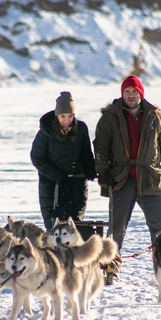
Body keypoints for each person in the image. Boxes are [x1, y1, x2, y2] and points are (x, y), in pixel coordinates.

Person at [93, 75, 161, 250]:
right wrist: (103, 172)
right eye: (127, 91)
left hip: (150, 178)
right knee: (116, 229)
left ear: (141, 93)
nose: (130, 95)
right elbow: (101, 147)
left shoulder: (156, 116)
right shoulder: (110, 117)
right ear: (122, 94)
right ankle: (111, 269)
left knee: (159, 229)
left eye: (134, 91)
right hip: (122, 179)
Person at [31, 91, 96, 229]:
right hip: (52, 185)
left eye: (70, 116)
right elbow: (36, 157)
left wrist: (90, 169)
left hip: (77, 184)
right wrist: (56, 175)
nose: (66, 120)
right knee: (54, 227)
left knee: (74, 226)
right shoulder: (46, 132)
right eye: (62, 116)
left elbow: (86, 152)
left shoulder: (81, 128)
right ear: (57, 115)